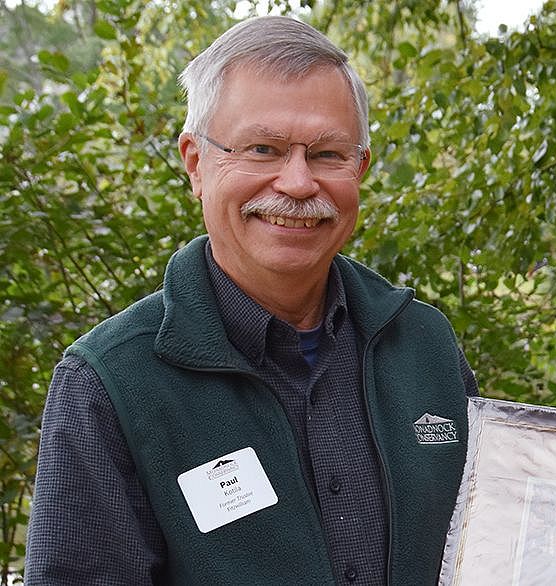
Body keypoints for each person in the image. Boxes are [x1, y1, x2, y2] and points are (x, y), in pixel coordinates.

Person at [25, 15, 478, 586]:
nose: (296, 183)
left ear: (360, 168)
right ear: (195, 163)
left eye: (328, 154)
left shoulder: (424, 345)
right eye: (262, 149)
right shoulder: (111, 384)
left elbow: (489, 546)